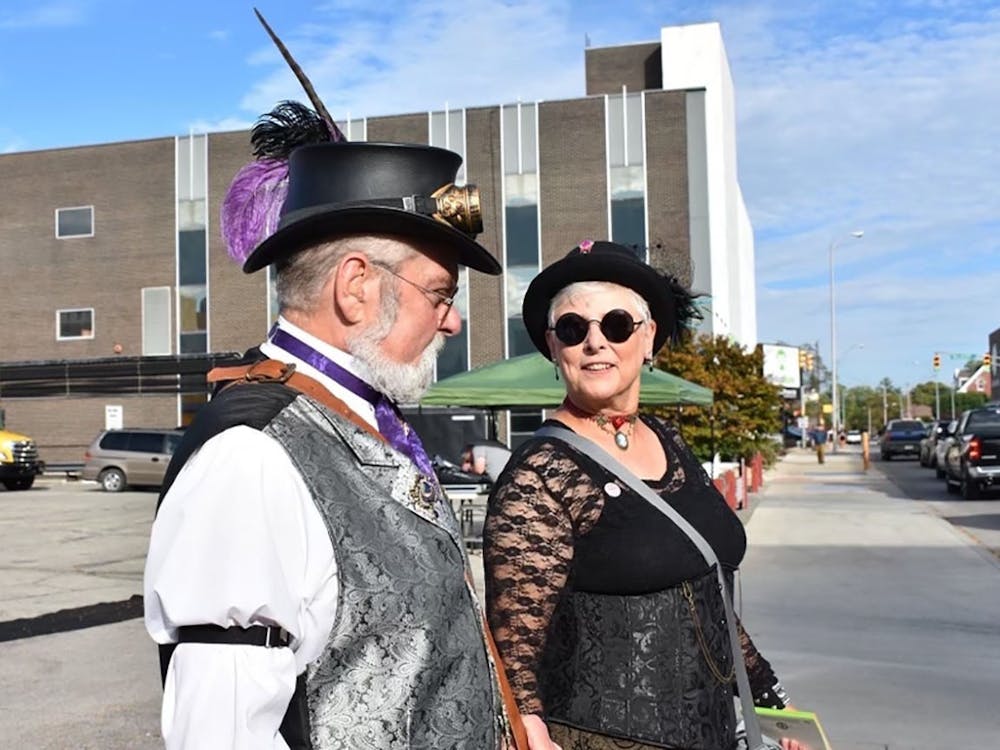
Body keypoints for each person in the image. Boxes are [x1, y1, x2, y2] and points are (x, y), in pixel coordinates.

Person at [143, 22, 521, 746]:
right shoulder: (251, 459)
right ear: (356, 287)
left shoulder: (358, 424)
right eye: (440, 294)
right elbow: (220, 733)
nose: (451, 324)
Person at [483, 241, 794, 750]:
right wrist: (528, 732)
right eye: (573, 329)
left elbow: (710, 595)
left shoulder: (669, 439)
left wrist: (771, 701)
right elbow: (512, 645)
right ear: (554, 347)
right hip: (600, 737)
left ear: (648, 339)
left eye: (617, 325)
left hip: (713, 734)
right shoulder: (543, 472)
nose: (595, 343)